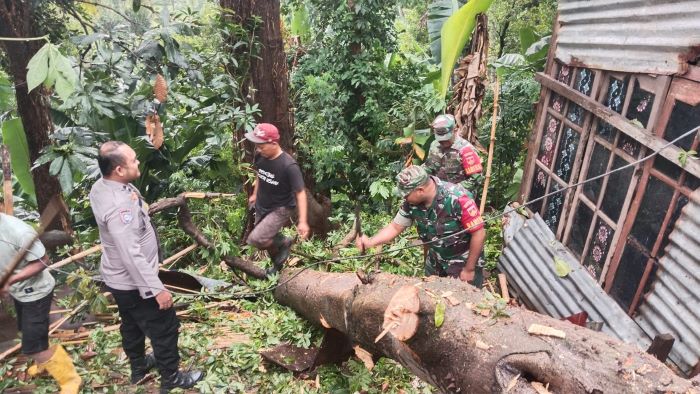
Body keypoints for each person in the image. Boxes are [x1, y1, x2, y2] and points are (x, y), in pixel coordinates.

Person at [89, 141, 203, 392]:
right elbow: (130, 253)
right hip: (134, 282)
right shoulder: (120, 208)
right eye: (133, 160)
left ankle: (139, 368)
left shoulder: (101, 187)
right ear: (119, 170)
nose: (138, 162)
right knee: (165, 327)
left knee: (130, 324)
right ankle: (171, 378)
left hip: (117, 278)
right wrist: (155, 289)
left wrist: (133, 198)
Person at [356, 165, 487, 285]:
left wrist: (469, 269)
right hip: (435, 259)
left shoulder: (457, 198)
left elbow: (478, 233)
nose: (404, 198)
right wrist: (370, 242)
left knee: (464, 304)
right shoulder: (411, 203)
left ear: (420, 190)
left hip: (463, 260)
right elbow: (395, 227)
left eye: (406, 195)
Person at [0, 213, 81, 393]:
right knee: (27, 330)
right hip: (19, 293)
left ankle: (70, 379)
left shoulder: (17, 232)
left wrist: (10, 280)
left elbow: (43, 262)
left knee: (33, 343)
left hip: (36, 292)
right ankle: (43, 364)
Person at [244, 123, 310, 275]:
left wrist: (303, 221)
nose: (258, 149)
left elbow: (301, 193)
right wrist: (255, 194)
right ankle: (276, 269)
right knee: (264, 242)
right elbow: (259, 174)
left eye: (261, 146)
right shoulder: (260, 155)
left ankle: (284, 242)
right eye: (257, 146)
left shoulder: (289, 166)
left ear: (274, 143)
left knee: (256, 239)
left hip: (281, 208)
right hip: (262, 204)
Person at [423, 114, 483, 194]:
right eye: (440, 139)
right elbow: (429, 168)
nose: (442, 142)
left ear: (455, 130)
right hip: (438, 194)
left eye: (446, 138)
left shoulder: (466, 150)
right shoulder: (434, 145)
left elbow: (476, 178)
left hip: (460, 195)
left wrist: (452, 190)